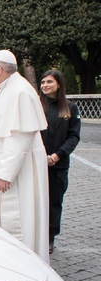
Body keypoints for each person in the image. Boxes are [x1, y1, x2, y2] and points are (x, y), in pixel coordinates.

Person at [0, 50, 49, 262]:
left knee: (18, 218)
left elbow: (19, 137)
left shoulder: (20, 92)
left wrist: (6, 174)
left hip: (18, 173)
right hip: (5, 169)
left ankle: (21, 263)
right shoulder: (8, 89)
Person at [40, 69, 81, 253]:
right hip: (37, 162)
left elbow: (73, 137)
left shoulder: (70, 109)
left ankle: (49, 237)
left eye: (49, 82)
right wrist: (41, 155)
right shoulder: (37, 106)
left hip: (58, 164)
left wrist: (58, 155)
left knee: (54, 202)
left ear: (58, 84)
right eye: (43, 82)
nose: (45, 86)